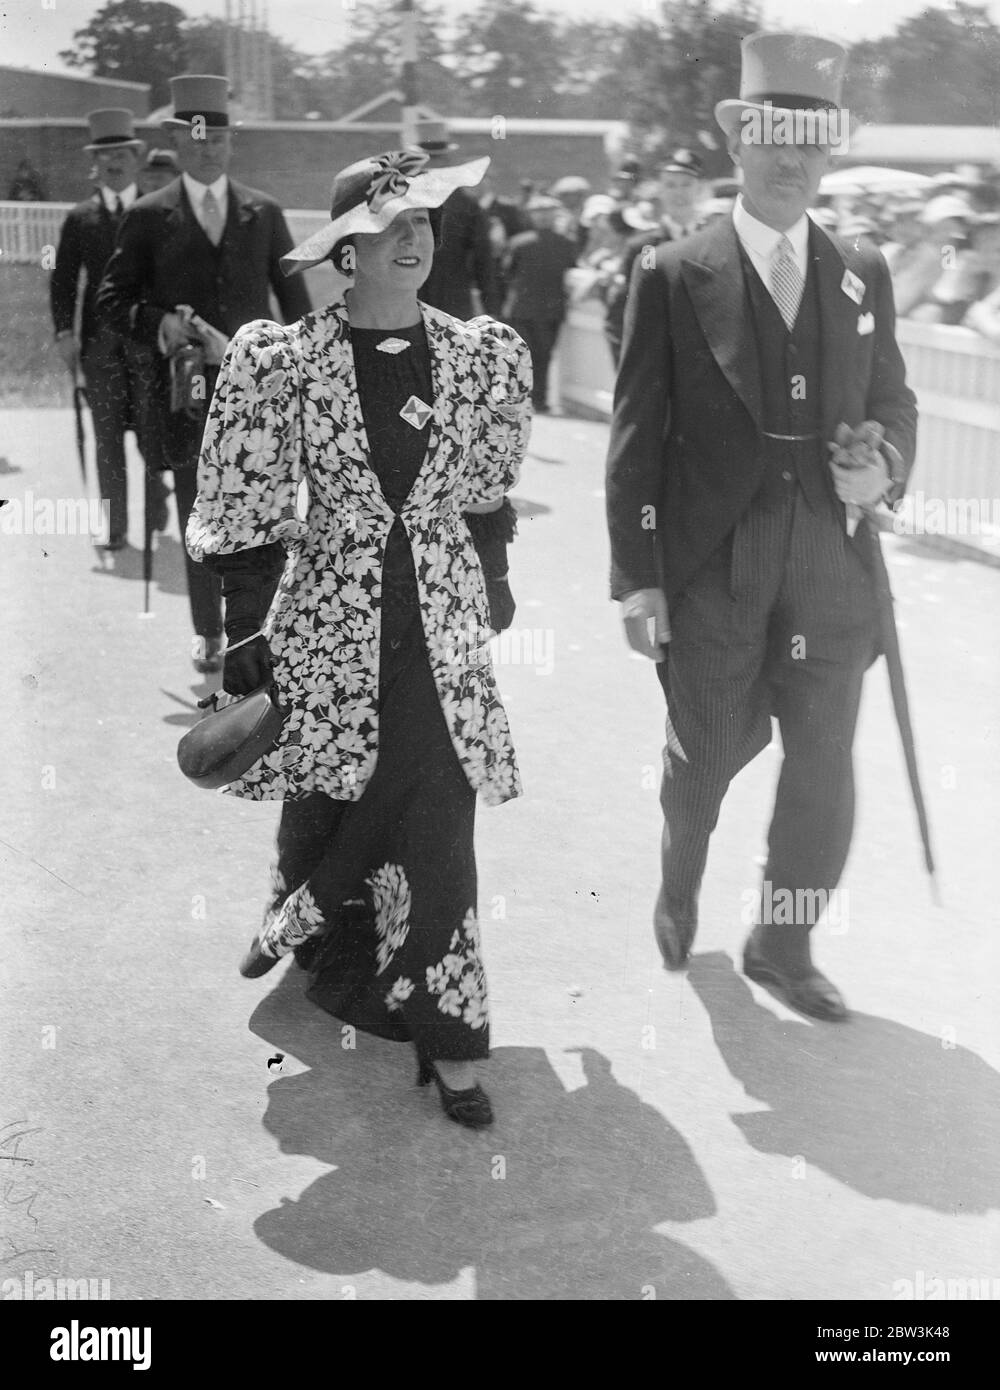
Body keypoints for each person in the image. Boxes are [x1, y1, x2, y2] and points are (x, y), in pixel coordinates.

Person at [185, 148, 532, 1128]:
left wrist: (496, 578)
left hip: (442, 615)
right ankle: (312, 929)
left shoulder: (475, 353)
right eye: (392, 225)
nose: (417, 236)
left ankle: (452, 1036)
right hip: (331, 613)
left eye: (425, 219)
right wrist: (245, 629)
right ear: (346, 253)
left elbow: (486, 492)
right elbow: (243, 500)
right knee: (333, 787)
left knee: (440, 808)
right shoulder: (283, 358)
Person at [605, 31, 917, 1021]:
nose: (791, 161)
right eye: (772, 138)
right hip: (717, 559)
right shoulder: (670, 271)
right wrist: (639, 578)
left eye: (810, 143)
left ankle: (783, 941)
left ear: (827, 154)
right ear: (738, 144)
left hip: (830, 557)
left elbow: (894, 403)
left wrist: (883, 465)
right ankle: (679, 882)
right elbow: (634, 439)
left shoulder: (861, 268)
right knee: (702, 753)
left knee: (823, 763)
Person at [98, 75, 310, 674]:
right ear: (175, 140)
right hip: (184, 394)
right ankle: (206, 631)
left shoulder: (263, 212)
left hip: (259, 397)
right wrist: (160, 321)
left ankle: (256, 631)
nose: (207, 147)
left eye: (216, 136)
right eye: (194, 137)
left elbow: (295, 309)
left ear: (229, 143)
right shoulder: (147, 215)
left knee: (267, 510)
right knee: (199, 510)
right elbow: (112, 302)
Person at [49, 109, 166, 551]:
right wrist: (64, 333)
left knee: (153, 434)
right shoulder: (80, 218)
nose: (114, 162)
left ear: (137, 158)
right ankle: (115, 526)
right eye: (105, 155)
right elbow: (62, 281)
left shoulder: (155, 212)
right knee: (107, 438)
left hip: (146, 343)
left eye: (122, 152)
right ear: (94, 164)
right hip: (99, 347)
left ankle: (158, 502)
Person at [603, 148, 705, 366]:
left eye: (686, 184)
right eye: (671, 185)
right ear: (661, 191)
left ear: (699, 189)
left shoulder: (716, 243)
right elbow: (618, 316)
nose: (679, 193)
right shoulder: (643, 248)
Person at [413, 120, 500, 319]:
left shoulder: (400, 197)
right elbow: (483, 260)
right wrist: (491, 309)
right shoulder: (466, 203)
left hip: (420, 294)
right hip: (446, 298)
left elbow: (482, 257)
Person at [501, 194, 579, 413]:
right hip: (552, 309)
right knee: (544, 355)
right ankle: (540, 401)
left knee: (519, 355)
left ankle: (518, 398)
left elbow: (506, 273)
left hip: (522, 307)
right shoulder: (567, 244)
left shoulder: (518, 242)